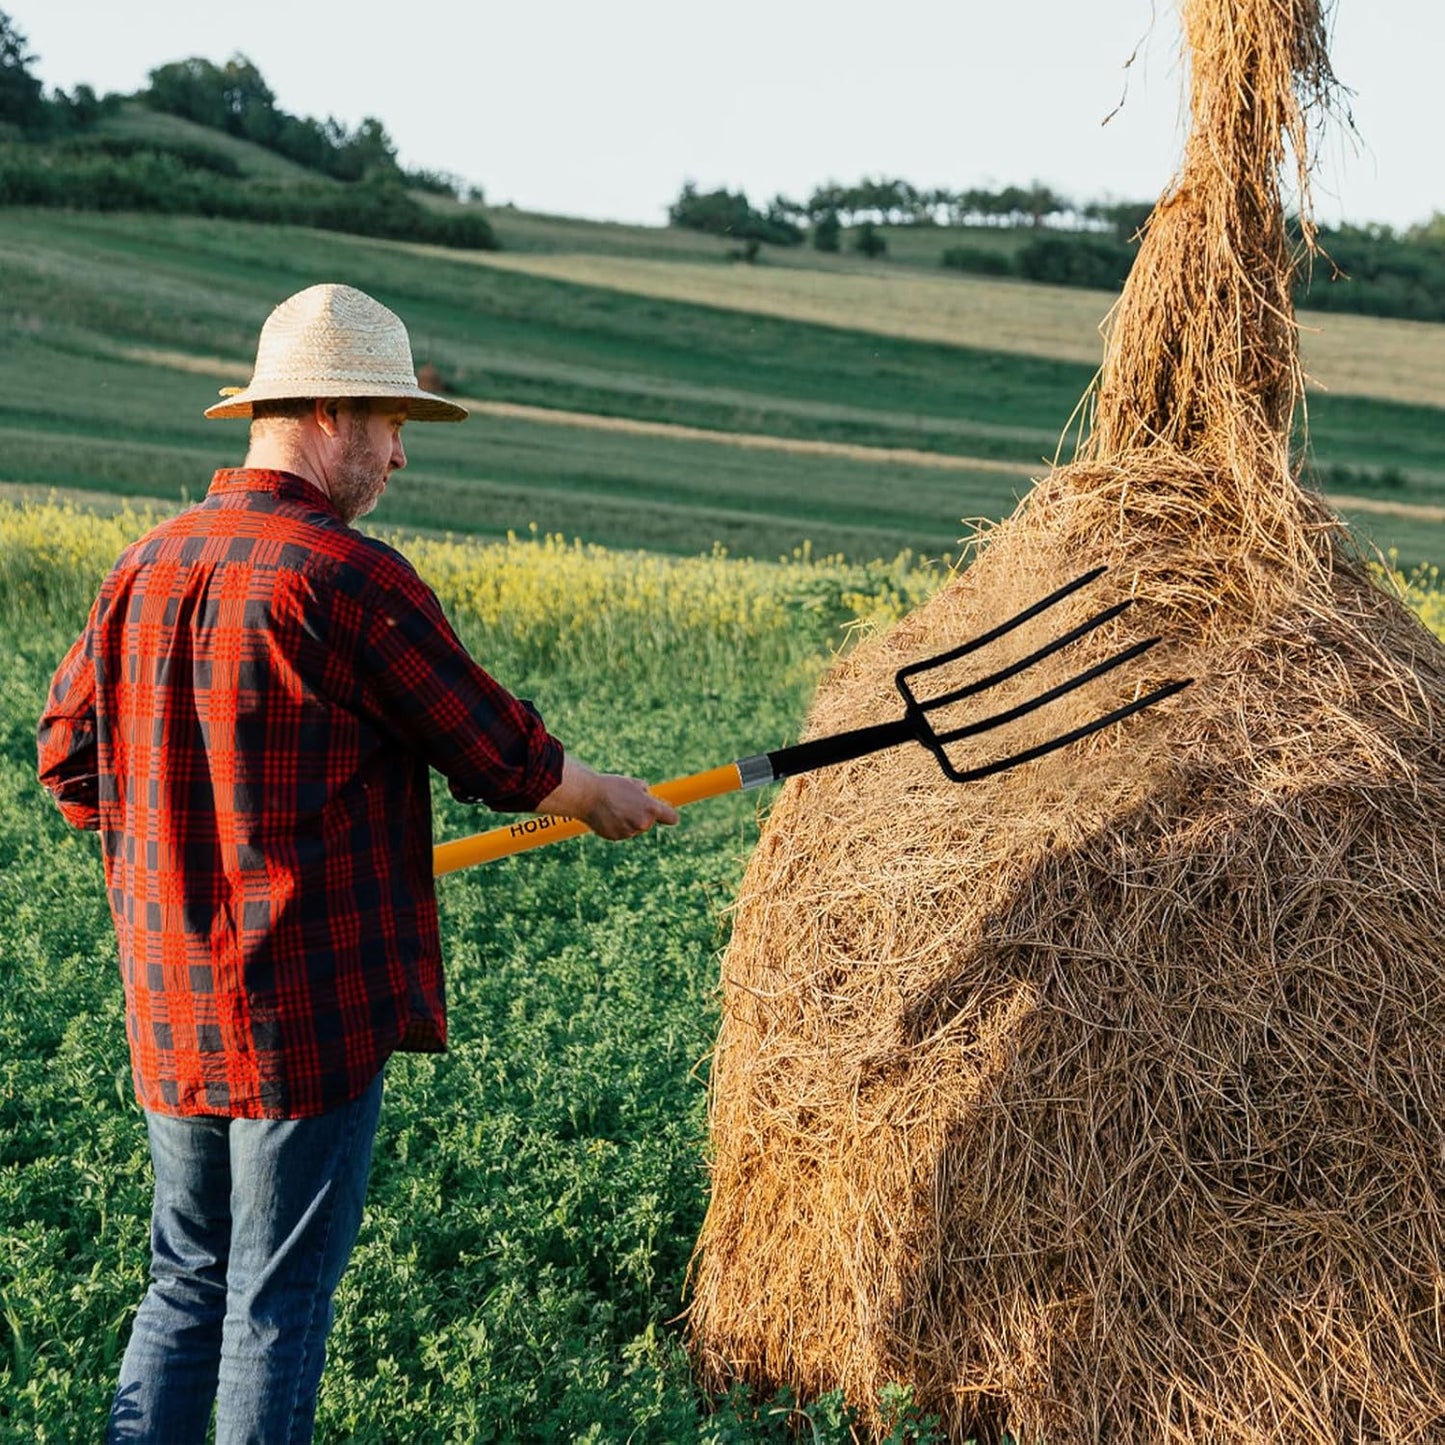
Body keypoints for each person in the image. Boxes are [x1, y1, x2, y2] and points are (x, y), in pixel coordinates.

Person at [36, 283, 678, 1443]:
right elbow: (496, 750)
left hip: (172, 999)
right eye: (390, 423)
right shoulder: (348, 578)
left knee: (183, 1279)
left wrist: (177, 848)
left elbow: (67, 760)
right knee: (275, 1301)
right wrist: (597, 797)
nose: (398, 453)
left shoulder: (143, 565)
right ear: (328, 413)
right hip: (306, 1010)